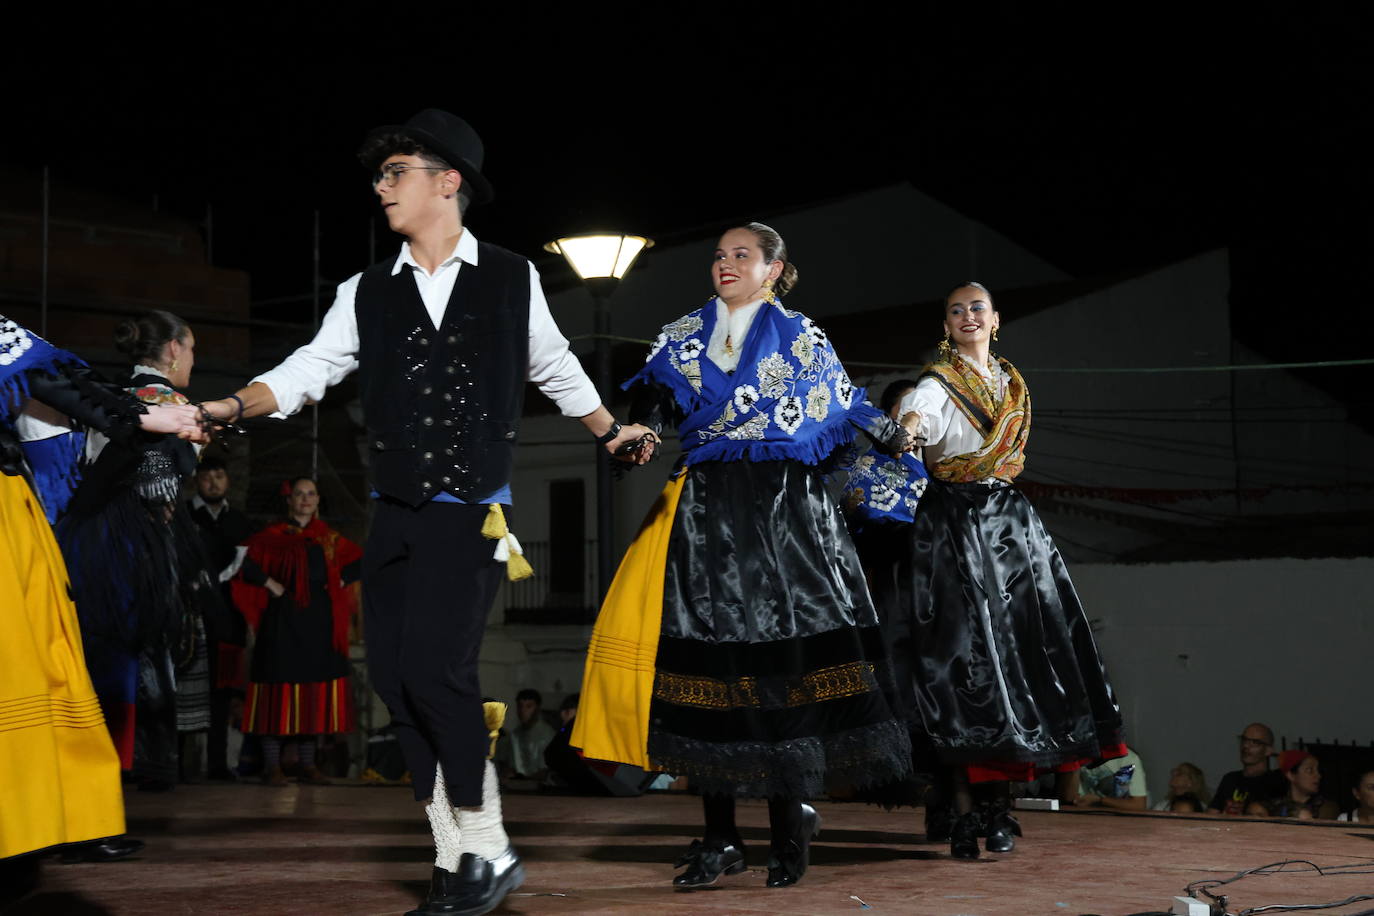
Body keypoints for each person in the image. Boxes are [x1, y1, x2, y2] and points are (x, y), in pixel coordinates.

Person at [197, 109, 656, 916]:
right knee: (403, 687)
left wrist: (611, 431)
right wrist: (233, 404)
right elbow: (309, 368)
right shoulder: (365, 289)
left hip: (471, 512)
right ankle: (456, 860)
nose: (380, 187)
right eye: (378, 177)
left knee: (438, 673)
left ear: (449, 182)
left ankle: (490, 847)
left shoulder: (511, 277)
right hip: (395, 512)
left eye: (395, 172)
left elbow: (553, 365)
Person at [573, 223, 914, 890]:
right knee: (709, 668)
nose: (726, 264)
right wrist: (639, 432)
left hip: (785, 516)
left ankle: (790, 824)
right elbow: (655, 402)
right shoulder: (682, 335)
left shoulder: (802, 337)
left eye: (742, 255)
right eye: (719, 254)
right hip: (705, 515)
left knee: (778, 667)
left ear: (774, 268)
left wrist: (898, 434)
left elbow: (845, 406)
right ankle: (722, 836)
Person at [881, 282, 1125, 859]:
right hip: (953, 524)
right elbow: (922, 417)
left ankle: (999, 813)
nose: (967, 316)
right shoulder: (935, 383)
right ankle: (963, 813)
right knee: (962, 665)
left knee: (1021, 660)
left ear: (996, 321)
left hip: (1009, 525)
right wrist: (910, 430)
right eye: (956, 310)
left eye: (977, 309)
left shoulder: (1012, 384)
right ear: (946, 325)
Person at [0, 314, 202, 891]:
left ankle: (74, 817)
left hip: (57, 530)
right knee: (66, 667)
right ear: (172, 348)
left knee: (74, 669)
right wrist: (150, 419)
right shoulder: (97, 387)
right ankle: (62, 820)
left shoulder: (67, 374)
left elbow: (67, 387)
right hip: (61, 532)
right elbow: (65, 397)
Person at [57, 309, 219, 793]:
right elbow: (155, 480)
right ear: (173, 350)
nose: (192, 359)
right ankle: (131, 763)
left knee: (103, 648)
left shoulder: (114, 395)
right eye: (190, 349)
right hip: (136, 543)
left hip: (92, 540)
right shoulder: (166, 402)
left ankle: (98, 764)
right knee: (140, 648)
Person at [232, 477, 360, 785]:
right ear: (289, 500)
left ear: (317, 500)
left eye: (311, 494)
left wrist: (337, 582)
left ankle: (307, 765)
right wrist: (270, 584)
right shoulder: (272, 535)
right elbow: (242, 562)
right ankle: (272, 766)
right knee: (275, 690)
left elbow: (359, 562)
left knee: (313, 694)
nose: (305, 499)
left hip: (317, 624)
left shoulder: (328, 539)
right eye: (300, 494)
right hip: (281, 622)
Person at [187, 457, 254, 779]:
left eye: (219, 475)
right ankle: (181, 764)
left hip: (228, 620)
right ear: (196, 480)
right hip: (189, 618)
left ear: (227, 480)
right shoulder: (183, 517)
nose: (213, 482)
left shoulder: (240, 522)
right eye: (206, 477)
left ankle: (216, 764)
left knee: (222, 695)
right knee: (184, 690)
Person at [1207, 722, 1286, 815]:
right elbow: (1212, 813)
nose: (1246, 746)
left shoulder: (1277, 781)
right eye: (1244, 740)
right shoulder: (1230, 779)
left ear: (1268, 750)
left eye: (1255, 742)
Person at [1249, 750, 1339, 819]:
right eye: (1310, 770)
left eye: (1318, 771)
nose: (1318, 776)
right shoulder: (1275, 804)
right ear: (1291, 775)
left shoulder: (1326, 807)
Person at [495, 688, 555, 782]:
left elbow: (545, 771)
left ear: (537, 708)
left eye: (528, 706)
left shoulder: (547, 735)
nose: (523, 710)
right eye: (520, 706)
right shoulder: (515, 735)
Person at [1071, 746, 1148, 811]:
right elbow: (1072, 798)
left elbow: (1139, 805)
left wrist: (1099, 800)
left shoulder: (1128, 759)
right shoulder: (1077, 756)